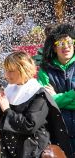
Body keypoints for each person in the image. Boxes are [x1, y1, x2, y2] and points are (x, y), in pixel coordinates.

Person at [0, 51, 72, 157]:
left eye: (11, 71)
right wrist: (0, 101)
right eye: (6, 70)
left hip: (34, 152)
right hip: (12, 152)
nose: (6, 75)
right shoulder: (9, 89)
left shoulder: (38, 94)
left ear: (23, 70)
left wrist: (6, 109)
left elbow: (29, 126)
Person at [37, 23, 75, 155]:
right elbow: (46, 101)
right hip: (58, 131)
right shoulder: (45, 71)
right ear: (54, 47)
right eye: (61, 43)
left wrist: (57, 98)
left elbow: (53, 100)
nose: (66, 46)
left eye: (69, 42)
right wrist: (72, 95)